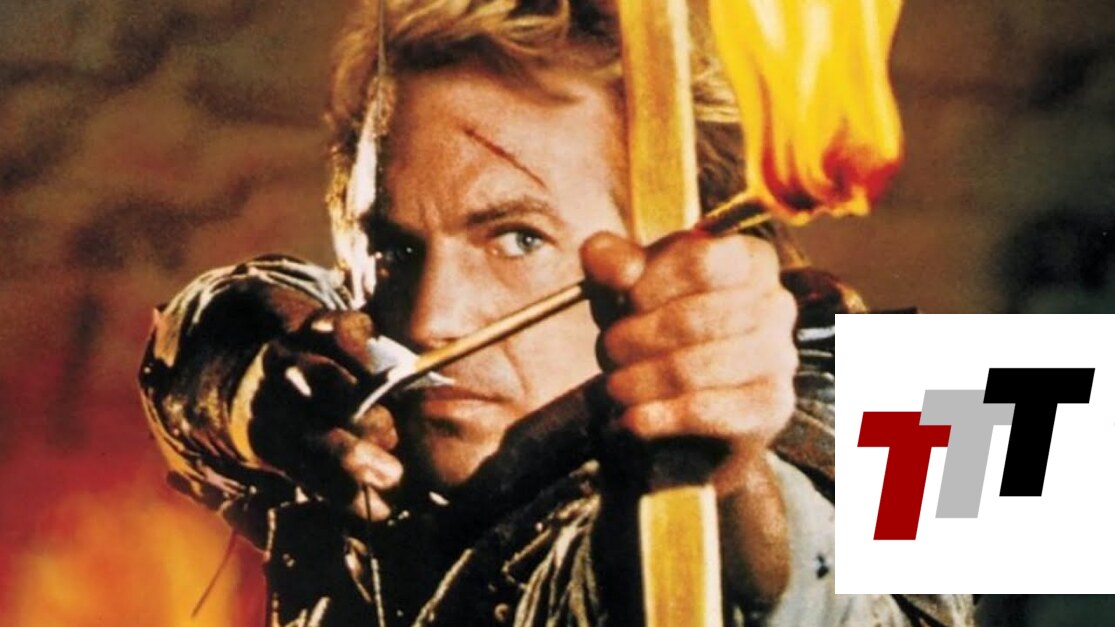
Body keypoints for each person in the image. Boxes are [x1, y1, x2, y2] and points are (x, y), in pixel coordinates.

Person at [139, 1, 975, 625]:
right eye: (393, 251)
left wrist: (713, 486)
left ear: (677, 263)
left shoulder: (928, 422)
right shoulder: (356, 409)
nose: (429, 319)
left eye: (517, 238)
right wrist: (240, 376)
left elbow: (811, 596)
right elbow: (224, 325)